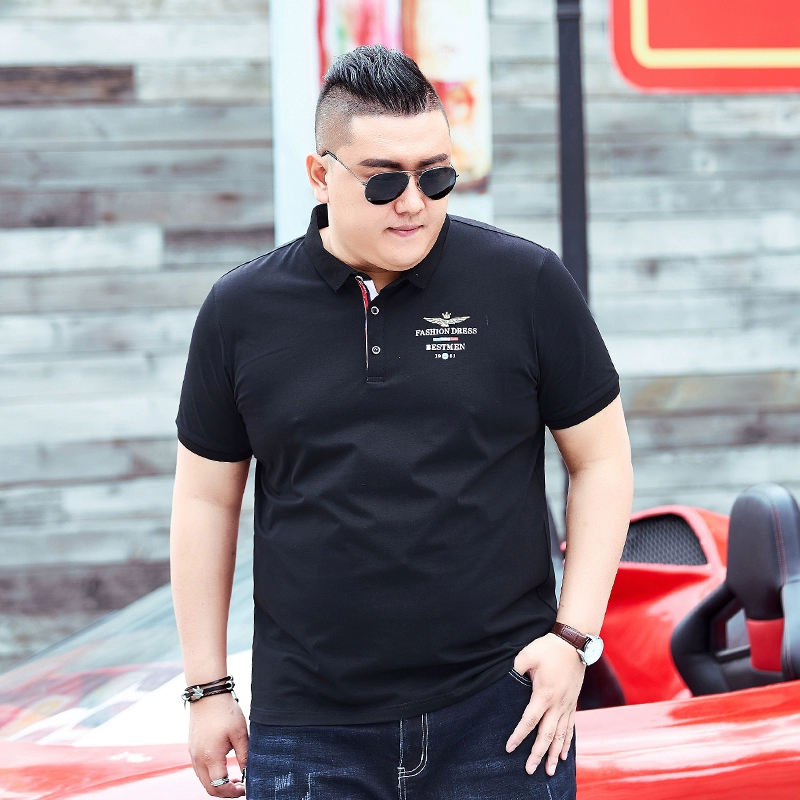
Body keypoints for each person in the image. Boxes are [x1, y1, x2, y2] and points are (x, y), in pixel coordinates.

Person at [170, 44, 633, 800]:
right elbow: (204, 500)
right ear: (320, 174)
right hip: (309, 727)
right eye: (384, 180)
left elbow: (603, 461)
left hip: (503, 713)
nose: (413, 202)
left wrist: (572, 639)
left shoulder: (526, 283)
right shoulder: (240, 311)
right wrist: (206, 688)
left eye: (436, 176)